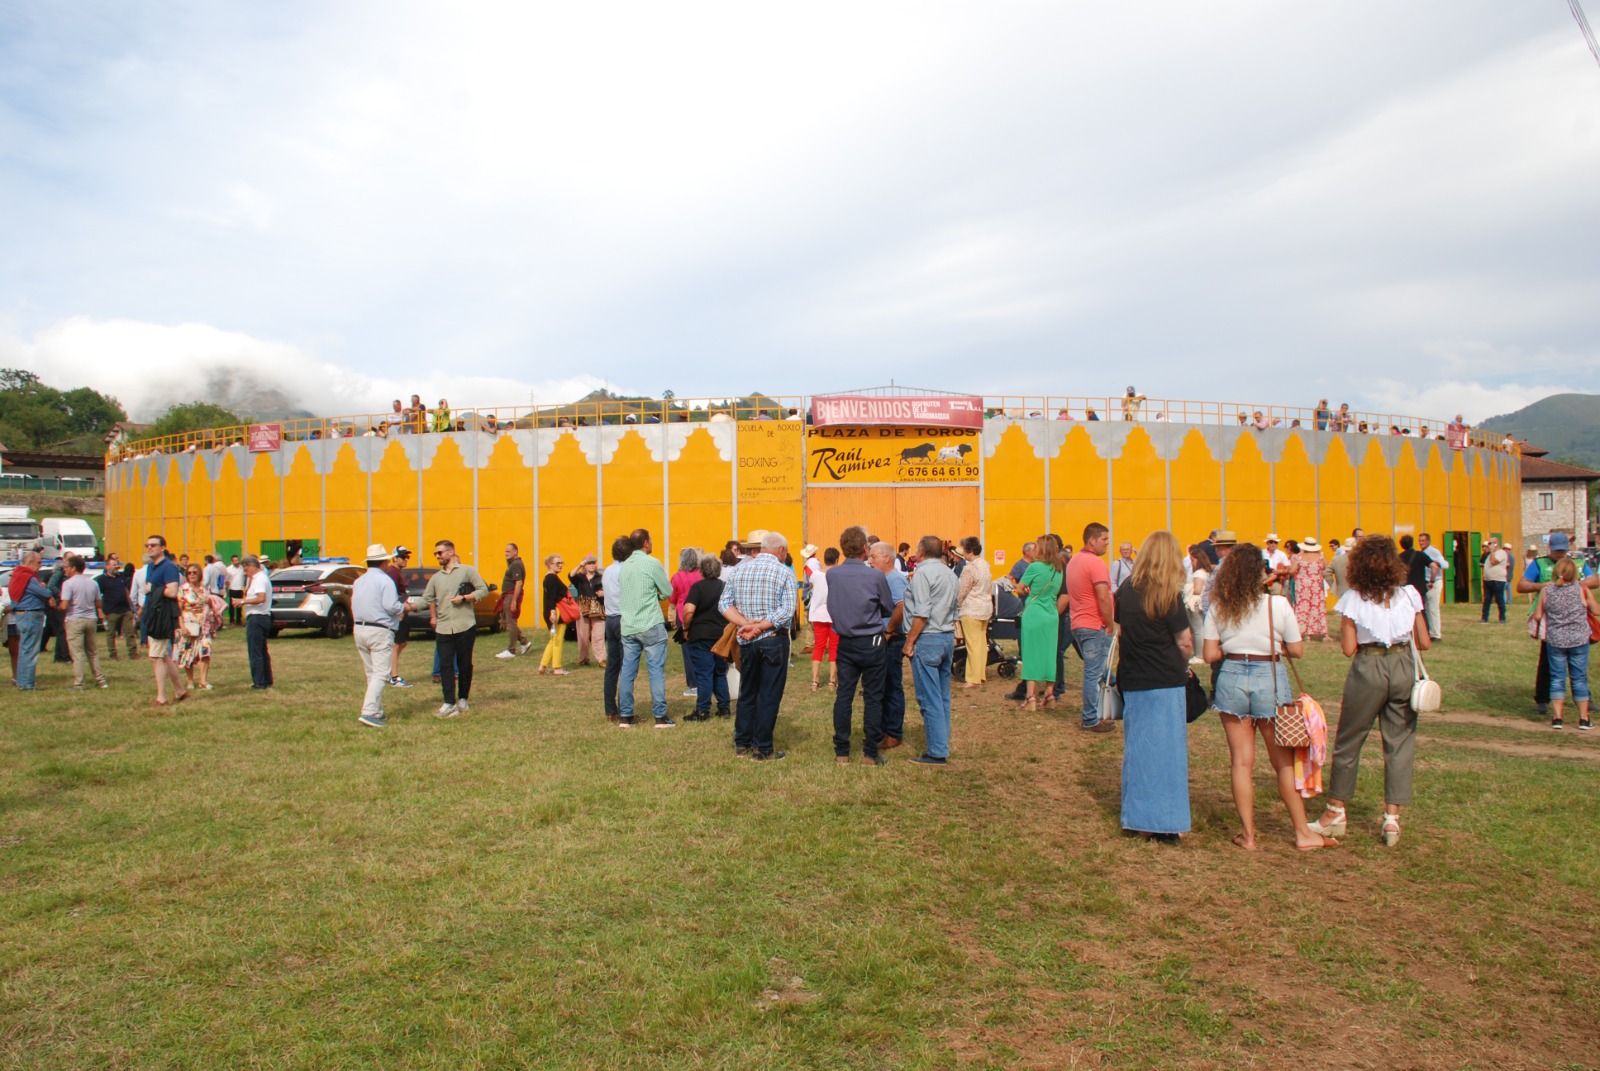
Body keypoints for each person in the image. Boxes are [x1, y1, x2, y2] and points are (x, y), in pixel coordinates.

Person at [1204, 542, 1336, 851]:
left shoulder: (1220, 606)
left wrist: (1234, 645)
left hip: (1232, 676)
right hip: (1270, 678)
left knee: (1241, 763)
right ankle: (1302, 832)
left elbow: (1210, 654)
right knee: (1283, 764)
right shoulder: (1277, 605)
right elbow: (1298, 650)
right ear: (1261, 573)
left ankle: (1248, 835)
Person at [1310, 535, 1431, 848]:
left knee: (1350, 739)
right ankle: (1392, 817)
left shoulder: (1354, 599)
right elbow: (1425, 641)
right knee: (1400, 742)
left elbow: (1349, 648)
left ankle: (1336, 811)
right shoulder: (1409, 595)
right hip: (1403, 664)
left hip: (1370, 664)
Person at [1116, 532, 1194, 842]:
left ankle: (1138, 819)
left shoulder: (1126, 591)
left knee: (1138, 750)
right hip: (1165, 679)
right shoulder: (1168, 596)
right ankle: (1166, 822)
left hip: (1134, 677)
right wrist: (1183, 662)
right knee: (1169, 754)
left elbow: (1120, 631)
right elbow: (1185, 642)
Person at [718, 530, 797, 760]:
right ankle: (762, 747)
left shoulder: (739, 570)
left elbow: (724, 604)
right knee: (769, 693)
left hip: (746, 640)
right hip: (772, 638)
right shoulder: (783, 572)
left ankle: (742, 741)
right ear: (781, 550)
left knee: (748, 691)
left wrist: (745, 624)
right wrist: (761, 626)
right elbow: (787, 610)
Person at [825, 525, 896, 765]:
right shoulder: (875, 575)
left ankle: (842, 752)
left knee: (844, 695)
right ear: (865, 548)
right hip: (872, 640)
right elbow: (887, 606)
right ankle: (869, 753)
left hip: (846, 641)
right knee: (873, 697)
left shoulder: (832, 574)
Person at [902, 534, 960, 765]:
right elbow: (954, 608)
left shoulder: (923, 574)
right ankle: (941, 742)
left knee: (929, 697)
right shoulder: (950, 573)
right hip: (946, 636)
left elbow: (922, 613)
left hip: (927, 637)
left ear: (922, 551)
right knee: (942, 695)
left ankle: (936, 750)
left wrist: (909, 642)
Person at [1532, 556, 1598, 730]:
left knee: (1557, 678)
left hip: (1555, 639)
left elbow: (1538, 615)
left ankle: (1557, 717)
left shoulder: (1547, 591)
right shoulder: (1581, 589)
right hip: (1578, 639)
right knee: (1579, 678)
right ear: (1574, 573)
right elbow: (1596, 610)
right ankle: (1584, 718)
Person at [423, 540, 488, 717]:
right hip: (443, 627)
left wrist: (466, 597)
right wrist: (407, 606)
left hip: (465, 625)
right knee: (445, 665)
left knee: (464, 664)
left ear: (451, 552)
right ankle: (448, 702)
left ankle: (463, 699)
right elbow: (426, 598)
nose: (437, 556)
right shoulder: (436, 578)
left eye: (440, 553)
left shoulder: (467, 570)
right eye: (435, 553)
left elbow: (483, 589)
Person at [616, 528, 673, 728]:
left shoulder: (624, 566)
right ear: (646, 543)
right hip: (650, 622)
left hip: (629, 625)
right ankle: (660, 716)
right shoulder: (652, 563)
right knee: (655, 670)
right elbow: (667, 591)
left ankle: (625, 715)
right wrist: (655, 596)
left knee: (628, 671)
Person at [349, 544, 406, 728]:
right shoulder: (385, 581)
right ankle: (369, 711)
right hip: (380, 629)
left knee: (371, 672)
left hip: (360, 628)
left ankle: (377, 710)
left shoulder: (359, 581)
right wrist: (403, 608)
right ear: (384, 562)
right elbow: (391, 605)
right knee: (381, 672)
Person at [1067, 523, 1116, 730]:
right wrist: (1110, 623)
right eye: (1104, 539)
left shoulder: (1074, 562)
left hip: (1079, 622)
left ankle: (1103, 707)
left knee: (1099, 669)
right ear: (1092, 540)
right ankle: (1090, 718)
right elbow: (1103, 597)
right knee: (1094, 672)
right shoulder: (1095, 563)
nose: (1107, 543)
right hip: (1094, 623)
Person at [680, 553, 731, 721]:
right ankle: (724, 708)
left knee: (704, 673)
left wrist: (686, 628)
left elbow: (688, 611)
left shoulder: (697, 587)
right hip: (721, 635)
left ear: (701, 570)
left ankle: (702, 710)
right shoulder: (725, 587)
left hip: (700, 635)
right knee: (719, 672)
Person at [1016, 534, 1064, 711]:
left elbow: (1019, 589)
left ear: (1042, 549)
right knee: (1049, 655)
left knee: (1030, 654)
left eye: (1036, 546)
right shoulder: (1058, 569)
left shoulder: (1035, 567)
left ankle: (1030, 697)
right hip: (1051, 614)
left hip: (1034, 613)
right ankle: (1050, 694)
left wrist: (1026, 591)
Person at [870, 542, 910, 749]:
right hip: (885, 637)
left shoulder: (894, 579)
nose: (870, 560)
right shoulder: (884, 578)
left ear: (887, 558)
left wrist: (888, 631)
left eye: (873, 556)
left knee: (892, 685)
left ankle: (893, 732)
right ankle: (884, 729)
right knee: (883, 685)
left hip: (892, 640)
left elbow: (901, 607)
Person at [144, 536, 190, 705]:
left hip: (163, 615)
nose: (149, 548)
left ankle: (161, 697)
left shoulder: (169, 567)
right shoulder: (151, 567)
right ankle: (180, 690)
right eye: (147, 545)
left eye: (153, 545)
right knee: (163, 655)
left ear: (162, 547)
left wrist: (153, 588)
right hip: (153, 612)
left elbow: (172, 592)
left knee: (156, 656)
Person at [58, 554, 108, 690]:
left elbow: (64, 605)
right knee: (92, 651)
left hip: (75, 619)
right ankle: (101, 680)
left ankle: (79, 683)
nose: (65, 570)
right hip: (90, 619)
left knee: (77, 653)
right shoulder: (93, 583)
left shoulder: (68, 584)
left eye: (67, 567)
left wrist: (55, 605)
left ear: (74, 568)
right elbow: (99, 603)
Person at [8, 551, 52, 691]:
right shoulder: (29, 578)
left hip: (22, 615)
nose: (41, 565)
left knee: (24, 650)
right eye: (39, 562)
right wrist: (44, 587)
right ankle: (27, 684)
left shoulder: (17, 575)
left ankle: (22, 682)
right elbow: (46, 593)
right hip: (31, 615)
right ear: (30, 563)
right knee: (31, 651)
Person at [600, 537, 631, 720]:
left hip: (610, 619)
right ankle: (625, 708)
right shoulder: (625, 571)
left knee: (612, 666)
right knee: (627, 666)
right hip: (623, 618)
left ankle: (610, 709)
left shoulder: (608, 570)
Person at [232, 554, 273, 690]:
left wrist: (242, 601)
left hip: (257, 617)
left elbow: (261, 597)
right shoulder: (259, 578)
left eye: (246, 569)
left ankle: (259, 682)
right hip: (262, 616)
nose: (245, 572)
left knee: (255, 651)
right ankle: (266, 679)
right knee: (261, 650)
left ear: (252, 566)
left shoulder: (259, 579)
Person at [955, 536, 992, 687]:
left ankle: (972, 678)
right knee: (981, 643)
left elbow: (962, 590)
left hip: (971, 609)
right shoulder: (985, 564)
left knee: (972, 645)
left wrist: (956, 604)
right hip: (985, 607)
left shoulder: (969, 568)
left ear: (968, 550)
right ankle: (980, 674)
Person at [174, 562, 216, 692]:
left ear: (200, 575)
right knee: (188, 653)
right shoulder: (183, 589)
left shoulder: (204, 589)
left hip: (204, 626)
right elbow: (178, 610)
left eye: (194, 572)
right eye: (189, 573)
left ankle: (203, 681)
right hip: (188, 625)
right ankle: (190, 680)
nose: (192, 575)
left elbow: (209, 605)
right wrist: (182, 626)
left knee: (205, 652)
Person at [670, 548, 702, 697]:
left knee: (688, 651)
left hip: (683, 615)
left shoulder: (676, 577)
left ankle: (693, 685)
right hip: (700, 614)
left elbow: (672, 598)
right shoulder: (701, 575)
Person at [95, 553, 139, 659]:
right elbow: (98, 597)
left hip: (125, 609)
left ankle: (133, 654)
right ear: (107, 566)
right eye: (113, 564)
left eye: (117, 564)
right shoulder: (101, 580)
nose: (116, 566)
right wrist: (101, 612)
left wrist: (131, 607)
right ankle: (113, 654)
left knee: (130, 632)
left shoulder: (121, 577)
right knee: (111, 634)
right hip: (111, 611)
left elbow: (126, 592)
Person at [808, 547, 840, 691]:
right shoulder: (838, 574)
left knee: (818, 647)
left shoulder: (815, 574)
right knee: (834, 647)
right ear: (837, 560)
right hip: (834, 614)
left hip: (818, 614)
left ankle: (815, 680)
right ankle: (832, 681)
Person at [384, 545, 414, 687]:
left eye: (407, 556)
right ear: (395, 558)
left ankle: (389, 671)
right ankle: (393, 676)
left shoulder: (397, 572)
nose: (406, 559)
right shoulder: (392, 573)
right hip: (398, 612)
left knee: (402, 642)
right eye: (403, 557)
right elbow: (392, 595)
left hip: (402, 610)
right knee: (396, 644)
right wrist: (399, 611)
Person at [569, 555, 606, 666]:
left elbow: (611, 588)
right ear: (585, 565)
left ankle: (601, 659)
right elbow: (571, 575)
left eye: (593, 563)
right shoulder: (580, 578)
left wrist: (605, 593)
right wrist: (580, 565)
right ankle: (583, 659)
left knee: (598, 635)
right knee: (582, 635)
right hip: (583, 609)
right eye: (589, 563)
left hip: (598, 608)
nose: (591, 565)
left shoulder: (601, 577)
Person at [495, 543, 530, 660]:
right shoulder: (512, 564)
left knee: (511, 622)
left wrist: (514, 600)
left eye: (508, 551)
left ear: (515, 552)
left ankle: (511, 650)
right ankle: (524, 642)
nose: (506, 553)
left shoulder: (516, 564)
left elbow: (519, 583)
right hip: (508, 595)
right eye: (505, 551)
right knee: (509, 621)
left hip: (511, 596)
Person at [536, 553, 570, 676]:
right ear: (550, 565)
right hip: (555, 611)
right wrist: (553, 612)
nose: (560, 565)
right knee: (557, 640)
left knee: (553, 639)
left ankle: (543, 665)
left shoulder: (550, 577)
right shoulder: (551, 578)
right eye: (557, 563)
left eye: (562, 563)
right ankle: (557, 667)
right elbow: (551, 598)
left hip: (552, 610)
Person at [1292, 537, 1328, 640]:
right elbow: (1326, 566)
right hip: (1316, 584)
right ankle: (1320, 631)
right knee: (1317, 606)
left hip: (1303, 585)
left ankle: (1303, 632)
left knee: (1303, 607)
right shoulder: (1320, 556)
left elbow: (1292, 570)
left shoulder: (1299, 557)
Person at [1183, 546, 1210, 662]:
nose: (1192, 563)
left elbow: (1197, 589)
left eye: (1193, 560)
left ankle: (1200, 655)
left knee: (1197, 629)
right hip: (1199, 603)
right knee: (1197, 629)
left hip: (1194, 603)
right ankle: (1198, 653)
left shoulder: (1199, 573)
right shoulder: (1205, 572)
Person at [1418, 533, 1446, 641]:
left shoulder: (1433, 551)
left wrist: (1436, 565)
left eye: (1423, 540)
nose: (1421, 543)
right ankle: (1430, 632)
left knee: (1433, 608)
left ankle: (1436, 634)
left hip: (1434, 582)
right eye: (1420, 540)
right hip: (1426, 582)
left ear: (1428, 541)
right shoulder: (1422, 552)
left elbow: (1445, 564)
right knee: (1427, 608)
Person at [1480, 538, 1509, 623]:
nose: (1488, 546)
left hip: (1498, 580)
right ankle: (1484, 618)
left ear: (1495, 544)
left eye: (1490, 543)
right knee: (1487, 600)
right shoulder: (1488, 554)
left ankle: (1502, 618)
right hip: (1488, 580)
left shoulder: (1501, 553)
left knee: (1499, 599)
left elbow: (1493, 562)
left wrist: (1492, 551)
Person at [225, 554, 245, 626]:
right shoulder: (229, 569)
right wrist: (226, 588)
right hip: (232, 588)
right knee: (232, 606)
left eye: (237, 560)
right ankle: (232, 620)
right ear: (232, 561)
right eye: (235, 560)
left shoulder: (242, 568)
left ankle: (238, 620)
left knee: (239, 605)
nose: (237, 562)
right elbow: (226, 580)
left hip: (240, 589)